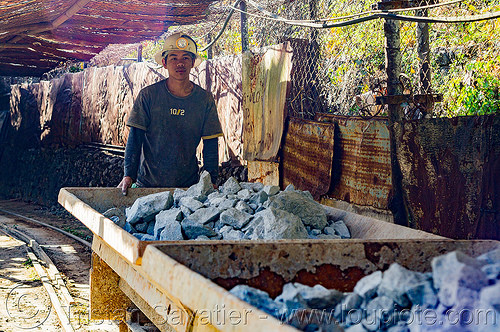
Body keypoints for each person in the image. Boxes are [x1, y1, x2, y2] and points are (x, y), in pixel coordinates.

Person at [117, 32, 223, 195]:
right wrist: (128, 175)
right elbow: (135, 138)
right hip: (148, 184)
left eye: (185, 58)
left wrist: (211, 180)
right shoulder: (149, 96)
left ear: (193, 62)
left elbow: (210, 144)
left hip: (187, 187)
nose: (180, 63)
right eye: (174, 58)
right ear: (165, 63)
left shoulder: (204, 100)